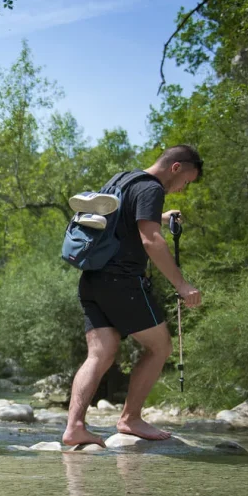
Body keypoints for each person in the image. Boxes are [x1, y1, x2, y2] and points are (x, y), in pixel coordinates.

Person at [63, 145, 203, 448]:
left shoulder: (123, 179)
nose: (182, 189)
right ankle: (130, 418)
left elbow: (119, 222)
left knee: (101, 353)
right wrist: (182, 285)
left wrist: (161, 217)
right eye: (186, 182)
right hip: (123, 283)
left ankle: (74, 427)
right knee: (160, 347)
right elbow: (150, 240)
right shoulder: (152, 188)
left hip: (92, 280)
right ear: (176, 167)